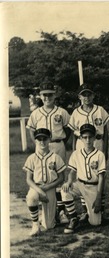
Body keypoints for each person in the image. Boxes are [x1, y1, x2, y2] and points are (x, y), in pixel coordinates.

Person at [26, 81, 71, 225]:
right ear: (40, 96)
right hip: (41, 146)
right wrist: (36, 144)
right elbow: (31, 129)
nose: (47, 98)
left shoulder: (61, 112)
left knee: (59, 178)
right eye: (44, 95)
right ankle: (42, 209)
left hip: (58, 144)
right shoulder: (36, 113)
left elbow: (68, 129)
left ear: (54, 95)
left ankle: (61, 211)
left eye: (50, 95)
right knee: (41, 177)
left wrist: (61, 141)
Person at [68, 83, 109, 218]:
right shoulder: (76, 112)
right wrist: (74, 149)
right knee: (82, 175)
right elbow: (73, 134)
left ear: (93, 95)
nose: (86, 97)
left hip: (97, 142)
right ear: (79, 96)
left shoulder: (100, 110)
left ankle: (101, 207)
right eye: (83, 95)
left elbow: (105, 132)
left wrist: (105, 149)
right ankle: (85, 210)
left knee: (98, 175)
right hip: (82, 143)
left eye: (89, 94)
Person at [61, 124, 106, 234]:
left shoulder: (100, 154)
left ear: (95, 138)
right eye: (84, 137)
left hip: (94, 187)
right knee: (65, 189)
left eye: (90, 137)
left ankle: (99, 209)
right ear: (80, 138)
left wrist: (99, 197)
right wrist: (69, 181)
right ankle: (73, 218)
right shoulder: (76, 153)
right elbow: (72, 171)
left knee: (96, 223)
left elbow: (101, 177)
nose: (88, 140)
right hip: (80, 184)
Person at [23, 128, 66, 236]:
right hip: (36, 187)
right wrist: (40, 191)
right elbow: (28, 179)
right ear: (36, 141)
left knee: (49, 226)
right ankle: (35, 225)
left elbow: (61, 178)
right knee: (31, 197)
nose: (42, 142)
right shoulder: (32, 158)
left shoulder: (55, 157)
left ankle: (53, 214)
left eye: (45, 139)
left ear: (49, 139)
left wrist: (46, 188)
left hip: (50, 187)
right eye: (39, 139)